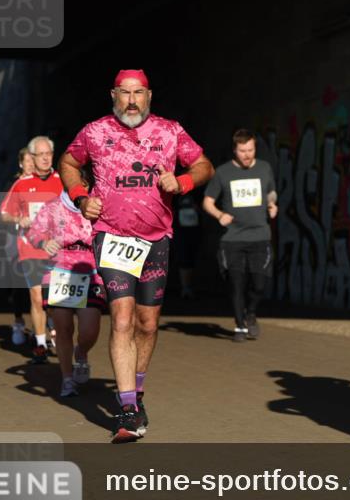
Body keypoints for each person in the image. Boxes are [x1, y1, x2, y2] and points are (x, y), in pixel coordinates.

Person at [59, 69, 214, 443]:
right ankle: (127, 409)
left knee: (147, 323)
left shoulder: (169, 131)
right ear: (113, 95)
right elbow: (68, 162)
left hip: (156, 239)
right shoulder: (94, 132)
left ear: (148, 95)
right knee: (123, 319)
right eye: (124, 93)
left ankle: (137, 391)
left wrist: (182, 182)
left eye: (138, 93)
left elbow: (204, 165)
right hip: (112, 237)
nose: (131, 100)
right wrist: (81, 196)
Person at [26, 165, 105, 397]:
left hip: (90, 269)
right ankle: (67, 378)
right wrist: (43, 243)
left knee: (89, 329)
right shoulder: (53, 207)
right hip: (59, 269)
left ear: (88, 185)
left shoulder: (97, 206)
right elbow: (34, 233)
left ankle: (81, 352)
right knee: (63, 327)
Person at [203, 129, 276, 342]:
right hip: (232, 239)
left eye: (251, 150)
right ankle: (239, 325)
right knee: (236, 283)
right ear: (235, 150)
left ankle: (251, 313)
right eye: (243, 151)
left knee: (259, 283)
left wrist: (272, 204)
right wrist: (219, 215)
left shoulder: (264, 168)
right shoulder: (223, 173)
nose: (247, 155)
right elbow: (207, 201)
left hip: (260, 236)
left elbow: (270, 191)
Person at [0, 137, 63, 362]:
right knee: (36, 297)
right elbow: (3, 214)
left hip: (59, 250)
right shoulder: (22, 184)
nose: (46, 158)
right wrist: (19, 218)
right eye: (41, 155)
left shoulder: (62, 182)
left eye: (49, 154)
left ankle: (58, 334)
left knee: (56, 300)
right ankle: (40, 345)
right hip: (31, 250)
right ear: (32, 158)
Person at [9, 148, 37, 343]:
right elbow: (4, 213)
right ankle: (18, 323)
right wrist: (19, 218)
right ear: (21, 163)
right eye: (27, 161)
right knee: (20, 285)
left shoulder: (46, 183)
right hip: (18, 239)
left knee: (43, 287)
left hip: (43, 242)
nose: (30, 164)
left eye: (32, 160)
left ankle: (46, 326)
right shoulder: (16, 185)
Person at [171, 187, 203, 300]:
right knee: (182, 259)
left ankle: (192, 288)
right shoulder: (174, 192)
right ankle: (185, 288)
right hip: (179, 231)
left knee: (193, 259)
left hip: (195, 231)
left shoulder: (197, 192)